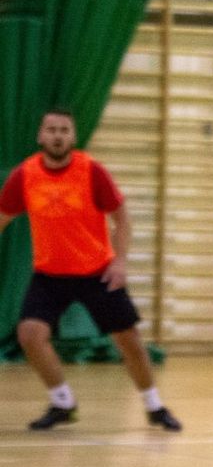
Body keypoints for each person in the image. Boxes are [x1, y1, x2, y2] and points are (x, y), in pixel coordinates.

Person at [0, 108, 181, 432]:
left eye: (64, 130)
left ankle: (154, 406)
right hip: (50, 274)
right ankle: (62, 402)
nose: (58, 135)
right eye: (52, 129)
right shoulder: (25, 176)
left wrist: (120, 261)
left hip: (96, 271)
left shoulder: (91, 172)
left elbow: (122, 218)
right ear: (41, 136)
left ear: (73, 136)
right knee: (30, 335)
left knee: (129, 341)